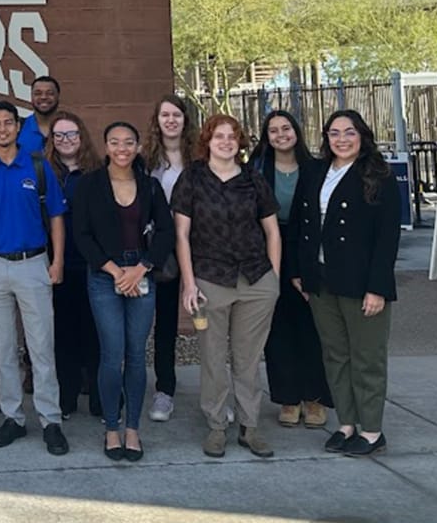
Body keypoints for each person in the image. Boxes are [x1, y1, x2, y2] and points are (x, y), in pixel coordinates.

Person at [172, 114, 282, 459]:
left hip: (254, 278)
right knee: (213, 358)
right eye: (218, 136)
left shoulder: (253, 179)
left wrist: (274, 279)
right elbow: (181, 235)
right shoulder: (192, 178)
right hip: (210, 279)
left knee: (248, 360)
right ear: (207, 141)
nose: (225, 142)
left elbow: (272, 231)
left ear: (240, 142)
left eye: (232, 136)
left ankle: (250, 427)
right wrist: (189, 284)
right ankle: (217, 425)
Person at [293, 110, 401, 458]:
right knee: (336, 355)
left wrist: (378, 287)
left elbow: (387, 238)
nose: (341, 139)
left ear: (362, 135)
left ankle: (372, 430)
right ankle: (347, 423)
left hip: (361, 282)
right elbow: (300, 222)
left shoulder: (379, 175)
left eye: (349, 132)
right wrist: (300, 271)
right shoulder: (314, 172)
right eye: (334, 133)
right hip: (322, 281)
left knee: (367, 357)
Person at [0, 100, 70, 456]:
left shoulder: (38, 166)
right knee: (4, 349)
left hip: (34, 264)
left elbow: (57, 216)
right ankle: (13, 417)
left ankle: (50, 419)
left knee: (41, 347)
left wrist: (57, 261)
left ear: (17, 127)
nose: (1, 129)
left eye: (8, 123)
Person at [73, 122, 174, 462]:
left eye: (129, 142)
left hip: (141, 272)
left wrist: (141, 268)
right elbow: (82, 234)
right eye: (115, 142)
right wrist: (116, 271)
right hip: (105, 275)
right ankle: (112, 427)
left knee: (135, 354)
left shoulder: (150, 185)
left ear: (137, 146)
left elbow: (165, 233)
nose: (122, 148)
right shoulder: (90, 185)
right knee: (111, 354)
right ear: (105, 147)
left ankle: (133, 428)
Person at [252, 110, 333, 430]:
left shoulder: (316, 169)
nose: (280, 134)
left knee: (312, 327)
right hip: (268, 252)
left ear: (296, 132)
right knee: (278, 328)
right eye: (273, 130)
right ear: (266, 136)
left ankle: (314, 397)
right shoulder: (257, 169)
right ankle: (287, 398)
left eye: (286, 128)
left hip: (308, 251)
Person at [44, 110, 102, 418]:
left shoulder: (98, 173)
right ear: (52, 141)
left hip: (92, 265)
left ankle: (98, 396)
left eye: (72, 134)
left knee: (95, 334)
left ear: (82, 137)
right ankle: (66, 398)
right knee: (63, 335)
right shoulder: (44, 173)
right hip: (56, 265)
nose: (66, 141)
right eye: (60, 135)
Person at [142, 92, 196, 424]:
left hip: (199, 247)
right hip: (159, 249)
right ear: (157, 120)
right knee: (162, 324)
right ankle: (165, 390)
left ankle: (217, 395)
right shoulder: (145, 159)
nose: (171, 120)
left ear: (185, 120)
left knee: (209, 323)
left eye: (177, 115)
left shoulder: (199, 158)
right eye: (165, 115)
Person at [17, 75, 61, 156]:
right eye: (38, 93)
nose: (43, 97)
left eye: (50, 93)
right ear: (31, 97)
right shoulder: (18, 128)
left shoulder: (69, 128)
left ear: (58, 96)